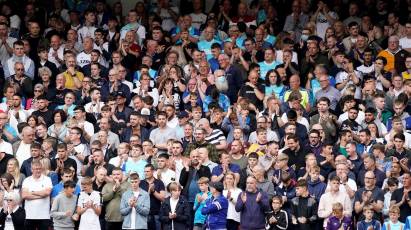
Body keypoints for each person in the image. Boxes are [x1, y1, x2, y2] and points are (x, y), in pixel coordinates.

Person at [21, 160, 52, 230]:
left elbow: (47, 193)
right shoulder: (26, 180)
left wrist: (32, 192)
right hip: (29, 215)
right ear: (31, 169)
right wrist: (42, 195)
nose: (38, 171)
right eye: (36, 169)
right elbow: (24, 196)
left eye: (39, 169)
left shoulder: (47, 179)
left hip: (44, 215)